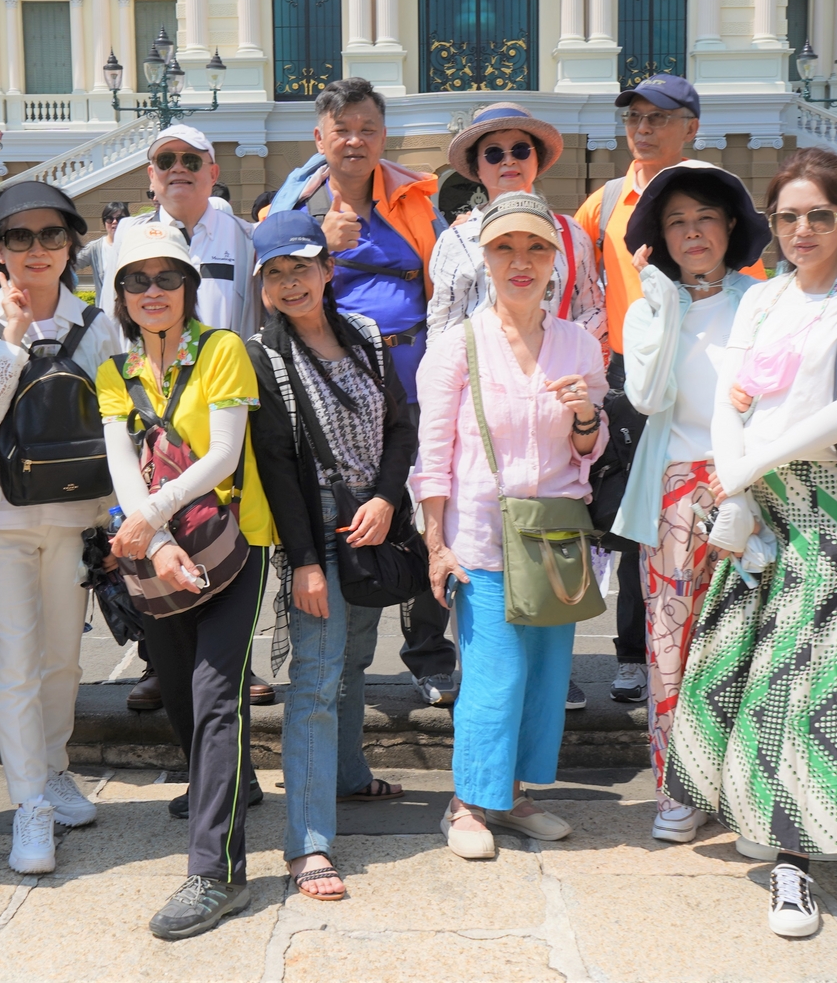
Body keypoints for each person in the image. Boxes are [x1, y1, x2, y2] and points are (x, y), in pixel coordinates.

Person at [664, 148, 837, 938]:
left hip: (832, 512)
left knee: (807, 683)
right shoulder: (764, 297)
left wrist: (746, 465)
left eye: (819, 216)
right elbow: (730, 398)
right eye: (788, 216)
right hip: (759, 510)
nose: (802, 230)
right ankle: (757, 817)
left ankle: (794, 865)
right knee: (734, 667)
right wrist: (737, 485)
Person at [412, 192, 606, 861]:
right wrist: (436, 546)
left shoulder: (578, 343)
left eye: (536, 248)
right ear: (485, 260)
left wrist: (586, 417)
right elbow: (432, 456)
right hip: (480, 538)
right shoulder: (456, 345)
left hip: (554, 538)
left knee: (543, 679)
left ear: (556, 260)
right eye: (505, 248)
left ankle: (510, 796)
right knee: (494, 679)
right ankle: (466, 802)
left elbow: (589, 448)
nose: (521, 261)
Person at [97, 222, 276, 940]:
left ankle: (217, 871)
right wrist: (160, 540)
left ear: (189, 287)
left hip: (233, 542)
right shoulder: (115, 372)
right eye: (136, 280)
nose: (153, 291)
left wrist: (153, 520)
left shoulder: (222, 349)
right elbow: (121, 466)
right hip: (160, 549)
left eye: (166, 277)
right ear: (119, 294)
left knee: (214, 697)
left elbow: (224, 455)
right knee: (175, 689)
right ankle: (235, 785)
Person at [0, 181, 120, 875]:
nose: (36, 249)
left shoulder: (96, 323)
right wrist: (14, 338)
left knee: (62, 662)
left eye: (52, 235)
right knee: (14, 667)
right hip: (3, 519)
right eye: (19, 236)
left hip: (76, 515)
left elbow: (117, 422)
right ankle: (29, 805)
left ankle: (52, 768)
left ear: (71, 244)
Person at [245, 210, 416, 901]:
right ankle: (308, 842)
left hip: (373, 518)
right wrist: (307, 563)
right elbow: (277, 467)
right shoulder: (263, 356)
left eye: (302, 268)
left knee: (354, 659)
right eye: (276, 273)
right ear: (261, 285)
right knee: (316, 678)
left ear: (326, 269)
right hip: (316, 525)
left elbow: (401, 425)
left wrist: (386, 499)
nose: (291, 283)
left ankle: (348, 774)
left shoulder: (366, 336)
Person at [271, 76, 451, 708]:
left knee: (430, 516)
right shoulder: (292, 210)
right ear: (319, 138)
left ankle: (429, 655)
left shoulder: (416, 199)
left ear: (383, 136)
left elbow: (444, 281)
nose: (354, 140)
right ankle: (341, 654)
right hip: (338, 402)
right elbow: (277, 292)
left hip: (419, 386)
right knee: (356, 521)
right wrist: (321, 241)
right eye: (341, 130)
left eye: (367, 129)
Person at [605, 160, 767, 844]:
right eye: (676, 222)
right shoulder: (650, 307)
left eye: (704, 218)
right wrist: (660, 304)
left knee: (748, 641)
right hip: (673, 489)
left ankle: (744, 791)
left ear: (730, 226)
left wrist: (746, 483)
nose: (692, 232)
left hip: (751, 482)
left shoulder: (764, 301)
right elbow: (645, 396)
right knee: (671, 643)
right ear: (661, 238)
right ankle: (677, 786)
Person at [573, 73, 703, 706]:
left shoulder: (710, 195)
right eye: (634, 118)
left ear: (690, 128)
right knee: (632, 518)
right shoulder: (603, 204)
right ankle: (632, 655)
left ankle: (690, 651)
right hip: (628, 375)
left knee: (692, 515)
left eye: (659, 118)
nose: (643, 129)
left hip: (699, 371)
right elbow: (566, 268)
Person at [425, 102, 606, 349]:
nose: (508, 161)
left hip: (557, 367)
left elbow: (593, 309)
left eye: (520, 150)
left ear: (537, 159)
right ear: (477, 167)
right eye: (494, 153)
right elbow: (443, 327)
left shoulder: (570, 233)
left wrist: (562, 343)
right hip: (485, 368)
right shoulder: (456, 240)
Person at [104, 125, 258, 340]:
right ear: (152, 175)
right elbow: (111, 322)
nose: (178, 168)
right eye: (165, 160)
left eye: (191, 160)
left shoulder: (245, 238)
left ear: (213, 174)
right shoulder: (130, 236)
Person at [79, 200, 131, 298]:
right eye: (109, 219)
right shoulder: (94, 247)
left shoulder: (133, 246)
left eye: (120, 219)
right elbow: (70, 265)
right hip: (105, 306)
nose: (114, 222)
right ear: (104, 222)